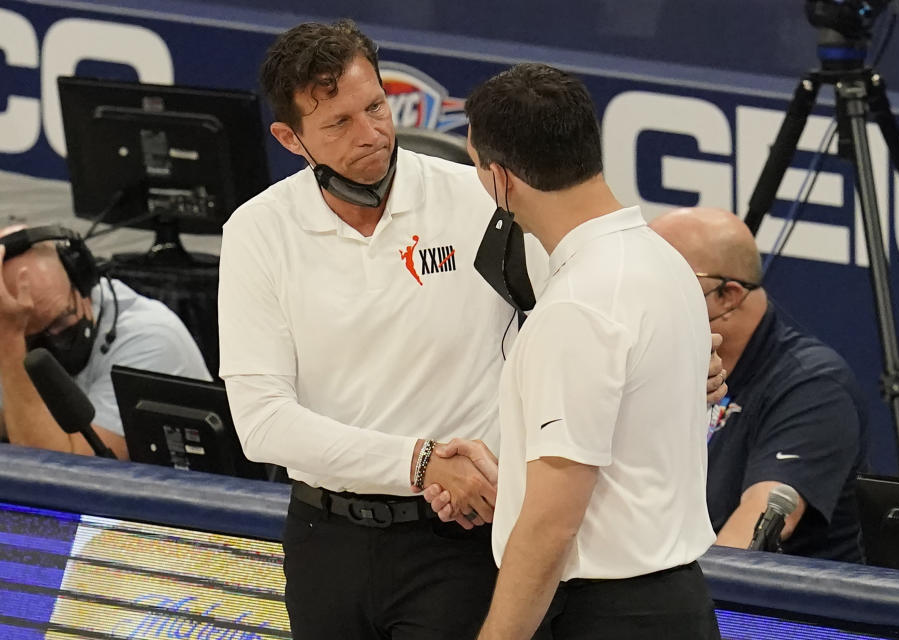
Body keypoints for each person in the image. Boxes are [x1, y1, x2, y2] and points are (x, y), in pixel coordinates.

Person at [218, 20, 727, 640]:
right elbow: (262, 422)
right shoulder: (257, 231)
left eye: (376, 107)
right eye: (339, 123)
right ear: (290, 138)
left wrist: (680, 361)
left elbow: (604, 308)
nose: (372, 133)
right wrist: (420, 462)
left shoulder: (484, 197)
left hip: (461, 538)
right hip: (325, 539)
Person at [450, 63, 721, 640]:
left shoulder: (578, 306)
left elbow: (551, 525)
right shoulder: (664, 261)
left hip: (606, 617)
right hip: (673, 603)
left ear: (501, 179)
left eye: (475, 166)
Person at [648, 207, 868, 562]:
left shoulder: (814, 386)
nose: (640, 295)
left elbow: (755, 530)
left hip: (780, 612)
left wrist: (679, 613)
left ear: (727, 296)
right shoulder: (656, 362)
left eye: (661, 279)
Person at [0, 226, 210, 460]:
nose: (47, 344)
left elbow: (60, 473)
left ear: (83, 283)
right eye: (30, 338)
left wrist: (11, 344)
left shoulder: (151, 340)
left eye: (59, 323)